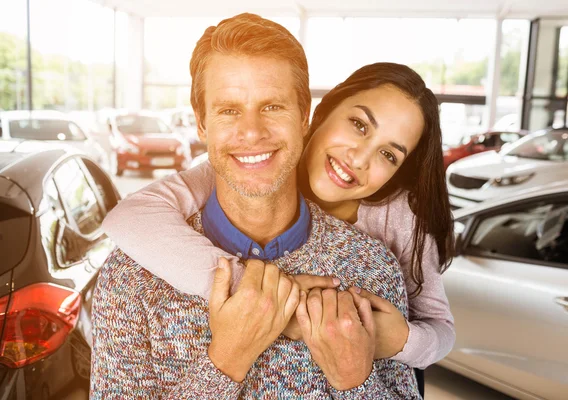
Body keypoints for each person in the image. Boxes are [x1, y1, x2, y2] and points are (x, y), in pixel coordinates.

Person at [101, 25, 455, 400]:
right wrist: (226, 359)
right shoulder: (130, 276)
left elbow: (439, 330)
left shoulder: (378, 263)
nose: (251, 133)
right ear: (202, 124)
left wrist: (358, 378)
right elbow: (129, 215)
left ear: (304, 115)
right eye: (228, 110)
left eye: (272, 106)